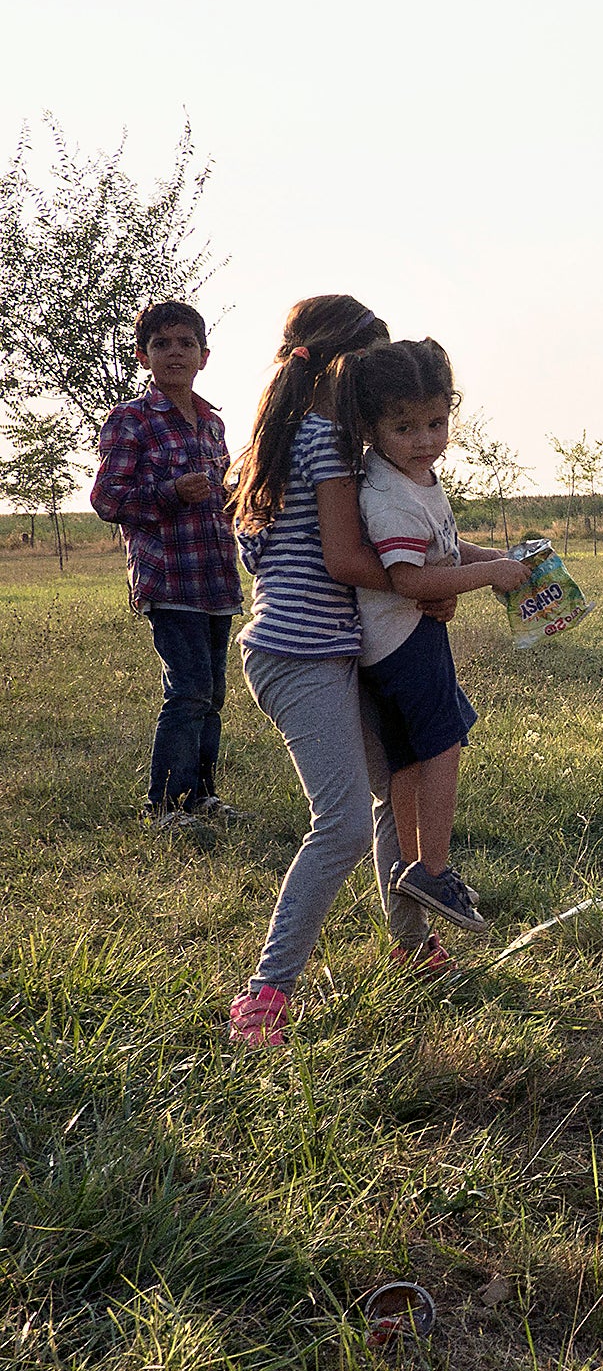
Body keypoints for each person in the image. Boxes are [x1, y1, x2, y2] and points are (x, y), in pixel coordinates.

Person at [225, 295, 453, 1046]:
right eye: (374, 362)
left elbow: (266, 551)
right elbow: (346, 560)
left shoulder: (291, 436)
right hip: (302, 654)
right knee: (346, 823)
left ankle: (414, 947)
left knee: (392, 795)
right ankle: (264, 995)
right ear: (339, 367)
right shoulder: (324, 440)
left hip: (328, 645)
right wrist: (426, 582)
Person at [335, 338, 532, 932]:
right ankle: (432, 870)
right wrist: (491, 574)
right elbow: (409, 578)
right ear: (371, 427)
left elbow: (439, 551)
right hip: (407, 642)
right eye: (404, 427)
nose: (424, 439)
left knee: (404, 766)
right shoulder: (390, 495)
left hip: (387, 646)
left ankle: (414, 865)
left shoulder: (410, 477)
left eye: (435, 423)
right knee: (442, 747)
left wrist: (495, 558)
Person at [89, 301, 241, 827]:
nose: (174, 352)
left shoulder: (213, 425)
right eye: (161, 344)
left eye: (185, 344)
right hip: (168, 576)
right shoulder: (130, 420)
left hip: (216, 576)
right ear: (142, 355)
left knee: (213, 692)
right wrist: (170, 493)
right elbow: (108, 499)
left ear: (204, 356)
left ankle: (200, 796)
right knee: (189, 688)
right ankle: (167, 805)